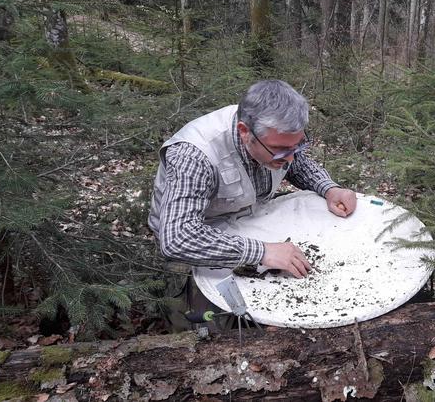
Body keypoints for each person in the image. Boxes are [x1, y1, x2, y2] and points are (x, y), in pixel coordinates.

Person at [148, 79, 357, 281]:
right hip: (202, 240)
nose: (290, 158)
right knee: (209, 307)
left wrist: (329, 189)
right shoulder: (194, 155)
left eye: (297, 145)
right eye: (279, 150)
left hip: (248, 219)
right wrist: (262, 252)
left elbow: (296, 162)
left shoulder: (273, 135)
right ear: (244, 131)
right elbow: (178, 239)